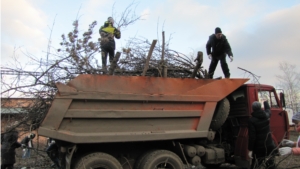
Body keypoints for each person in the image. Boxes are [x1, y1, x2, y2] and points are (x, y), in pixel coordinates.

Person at [248, 101, 276, 169]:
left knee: (256, 166)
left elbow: (252, 137)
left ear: (252, 109)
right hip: (269, 145)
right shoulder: (266, 115)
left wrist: (250, 149)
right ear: (260, 107)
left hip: (259, 148)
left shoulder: (251, 120)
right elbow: (268, 110)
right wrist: (266, 102)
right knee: (271, 165)